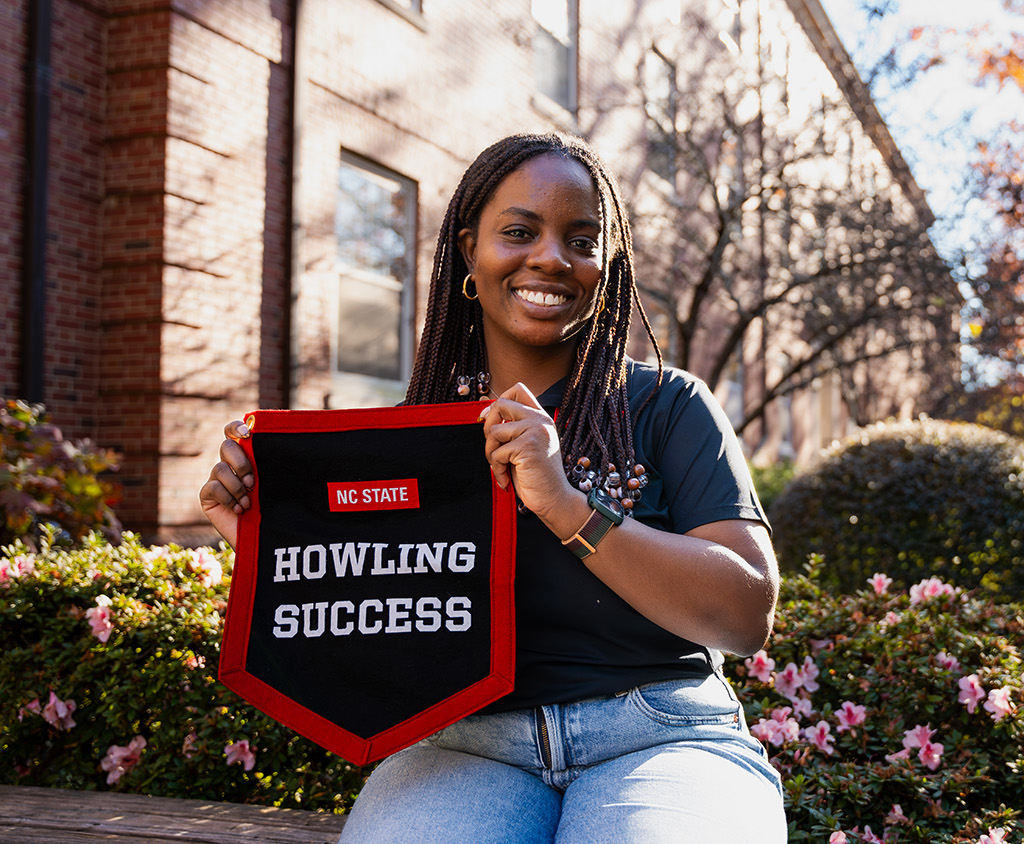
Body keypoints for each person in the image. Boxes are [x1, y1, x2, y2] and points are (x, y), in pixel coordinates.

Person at [199, 132, 785, 843]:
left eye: (581, 238)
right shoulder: (414, 438)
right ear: (470, 251)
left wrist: (568, 505)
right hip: (461, 746)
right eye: (518, 231)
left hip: (658, 737)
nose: (550, 257)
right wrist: (267, 542)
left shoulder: (666, 405)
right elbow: (377, 624)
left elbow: (745, 613)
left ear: (606, 266)